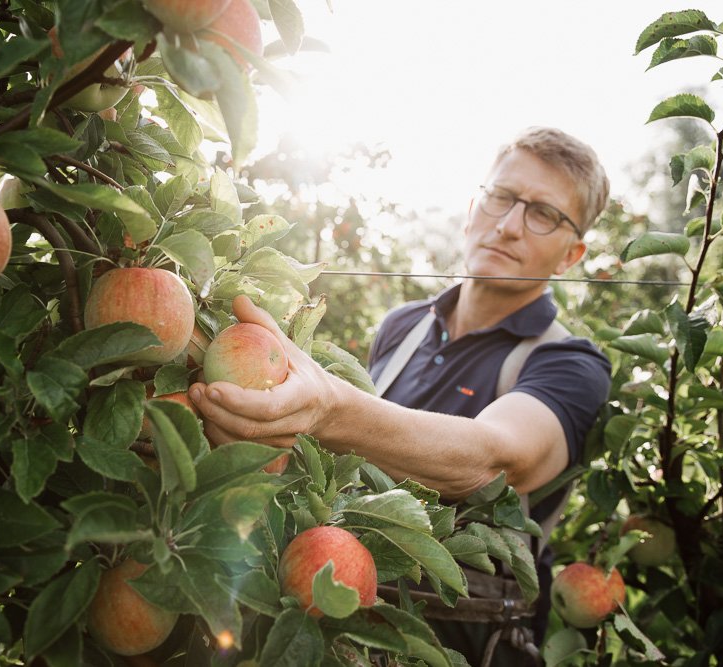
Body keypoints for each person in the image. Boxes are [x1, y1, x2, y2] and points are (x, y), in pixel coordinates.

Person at [188, 126, 612, 665]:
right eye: (501, 197)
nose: (507, 226)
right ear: (471, 207)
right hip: (342, 625)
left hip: (462, 649)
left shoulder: (570, 363)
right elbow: (344, 464)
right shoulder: (403, 327)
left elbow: (496, 460)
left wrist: (329, 407)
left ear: (570, 255)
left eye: (543, 214)